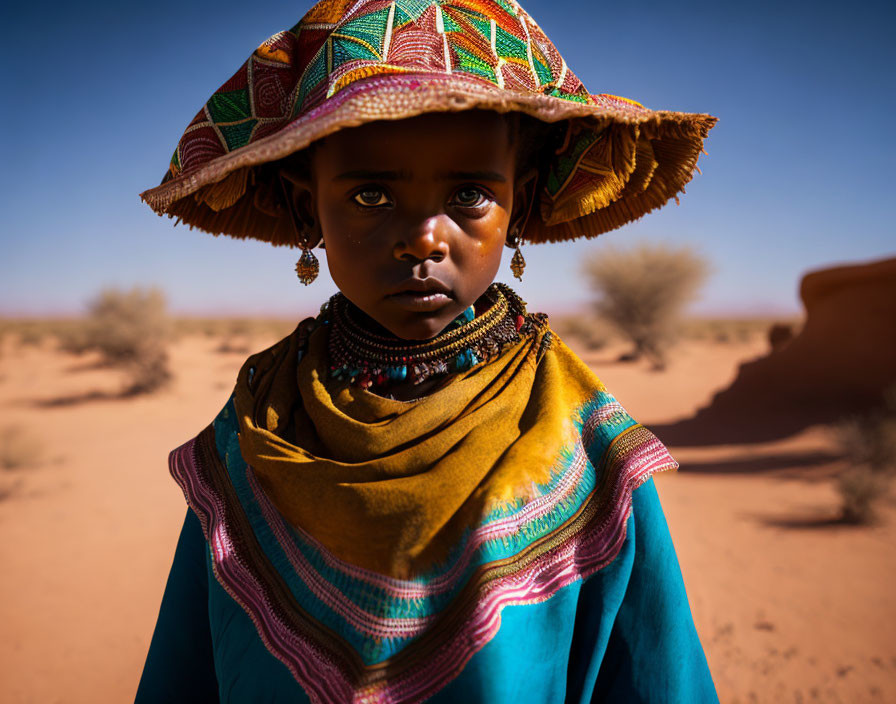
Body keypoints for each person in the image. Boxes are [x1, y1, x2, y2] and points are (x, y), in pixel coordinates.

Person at [135, 0, 719, 702]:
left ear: (520, 201)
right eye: (371, 194)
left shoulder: (579, 445)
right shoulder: (258, 426)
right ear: (304, 205)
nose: (424, 238)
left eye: (470, 194)